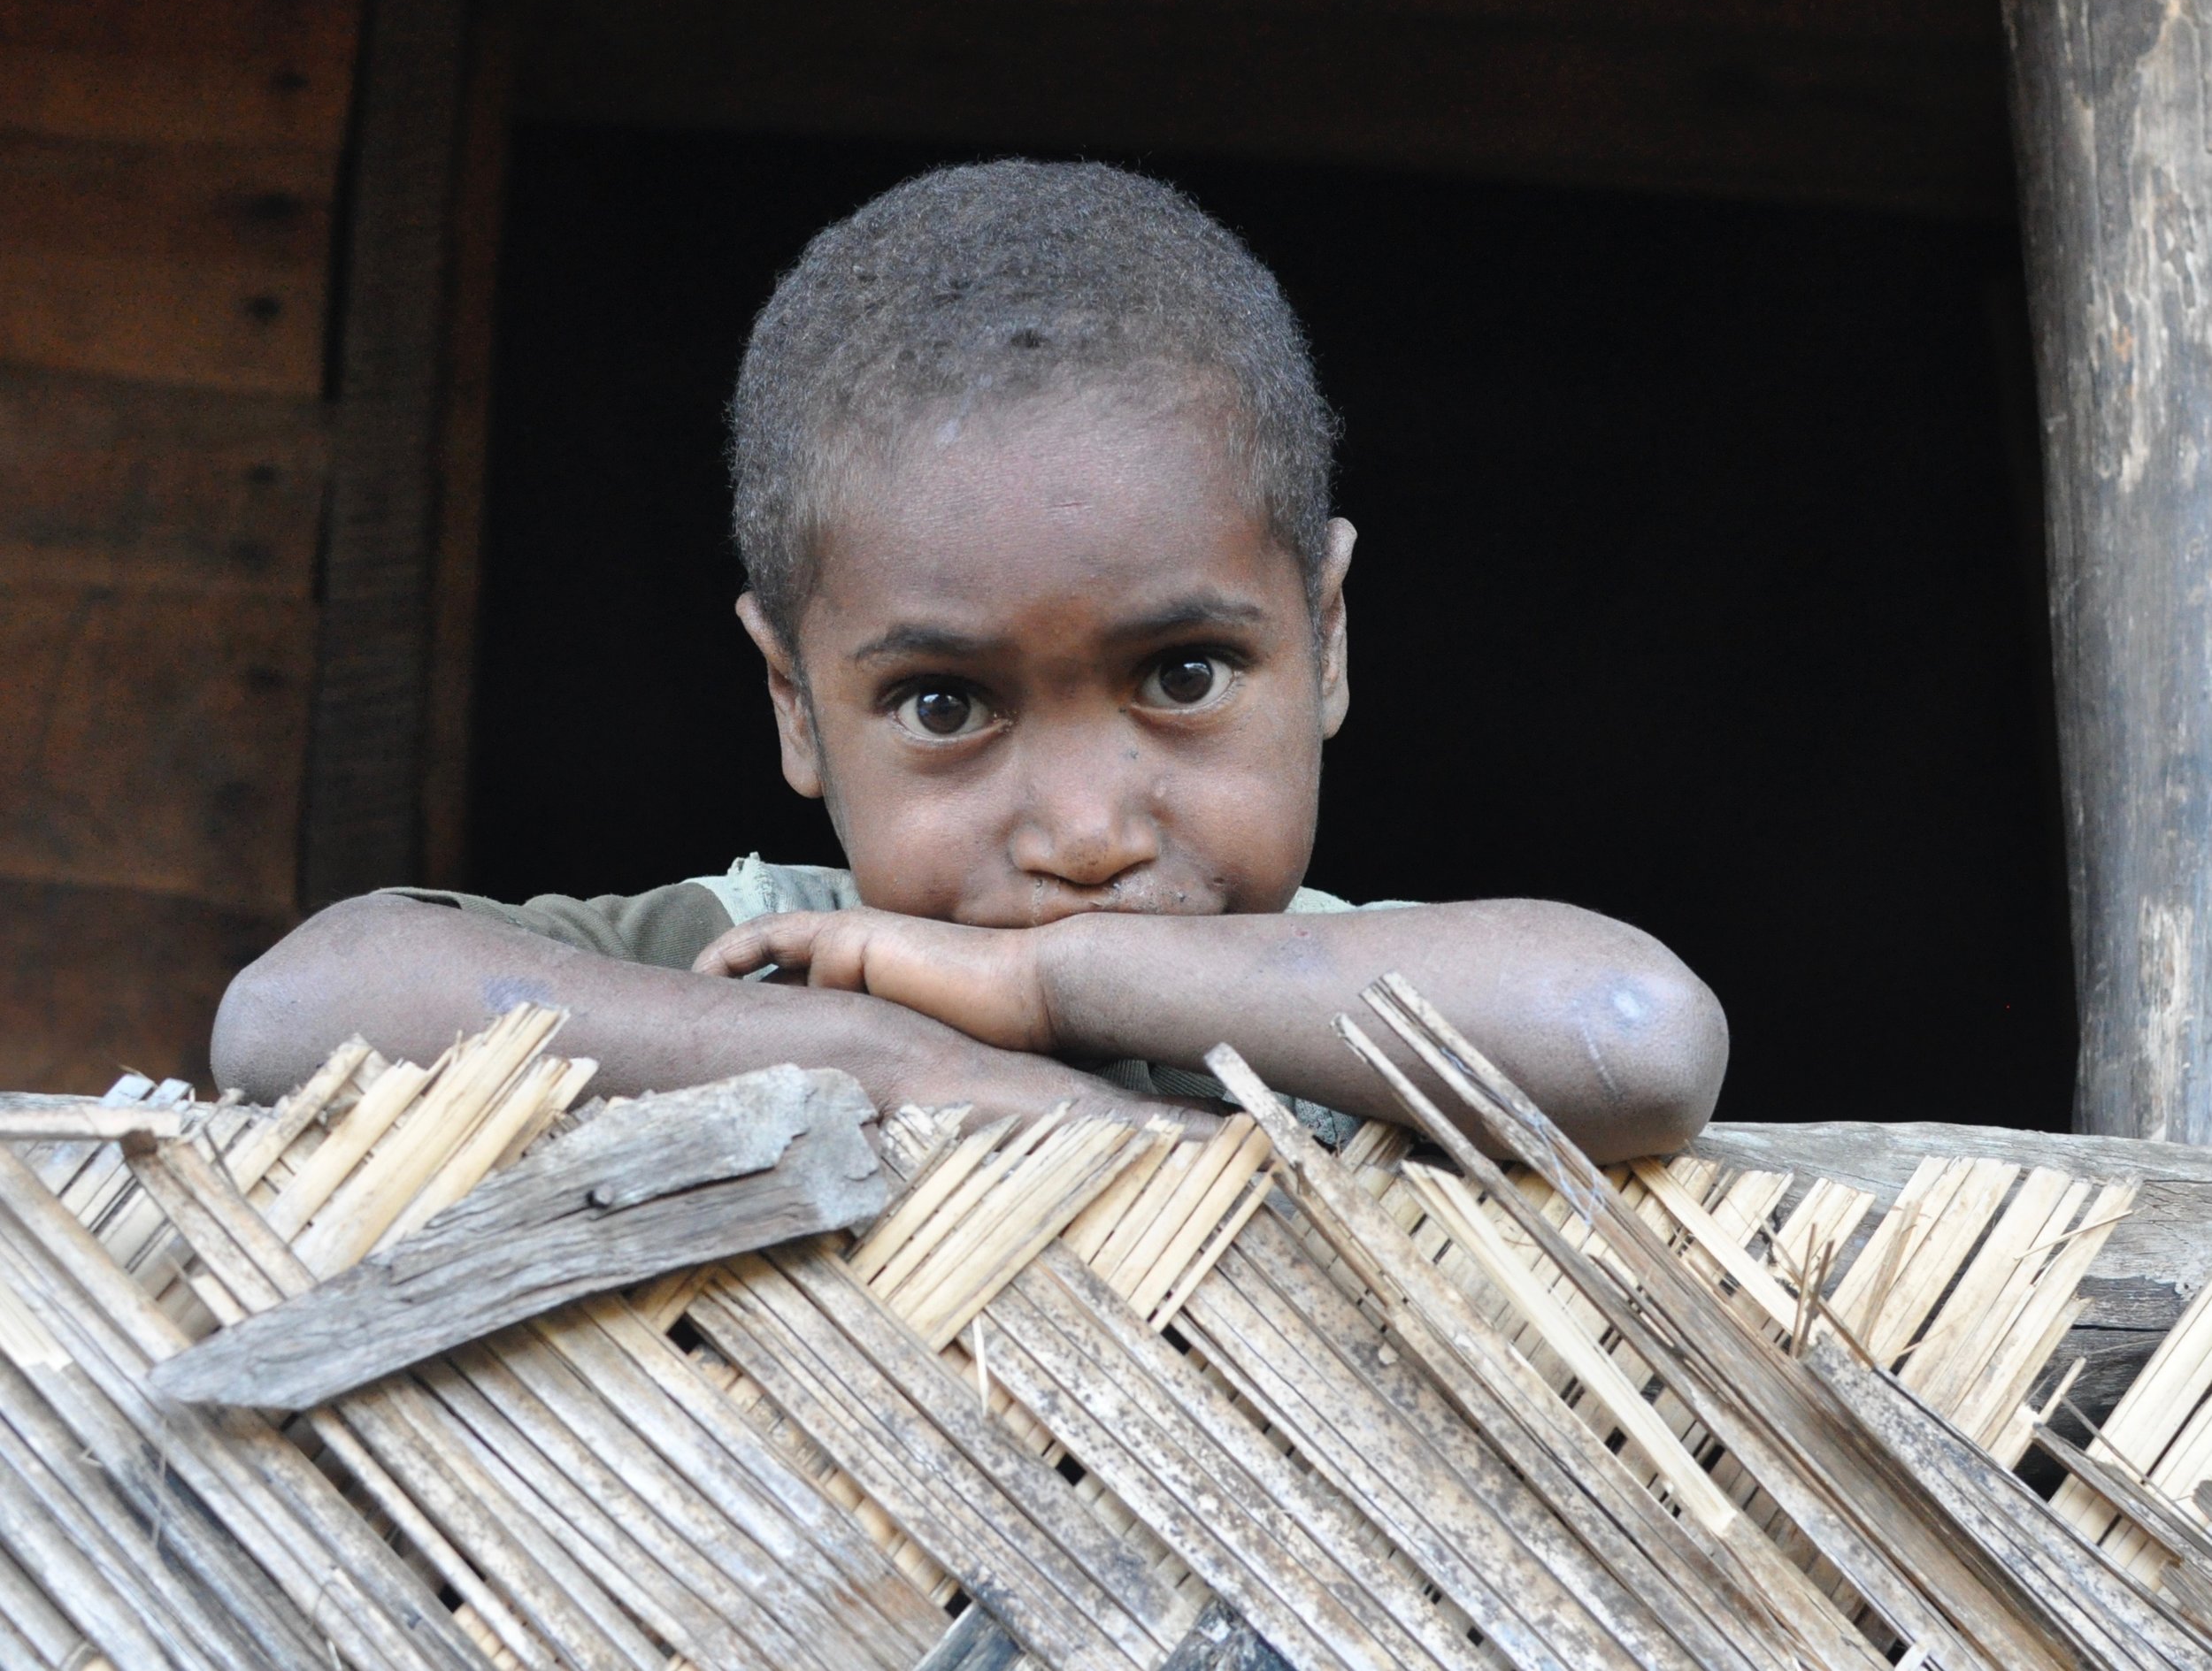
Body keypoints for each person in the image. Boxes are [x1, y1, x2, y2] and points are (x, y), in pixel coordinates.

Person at [214, 161, 1726, 1162]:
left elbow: (1638, 1038)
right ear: (795, 708)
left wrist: (1049, 984)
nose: (1083, 832)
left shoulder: (1370, 987)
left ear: (1326, 639)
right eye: (945, 704)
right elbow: (293, 1011)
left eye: (1184, 674)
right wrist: (889, 1056)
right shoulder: (759, 955)